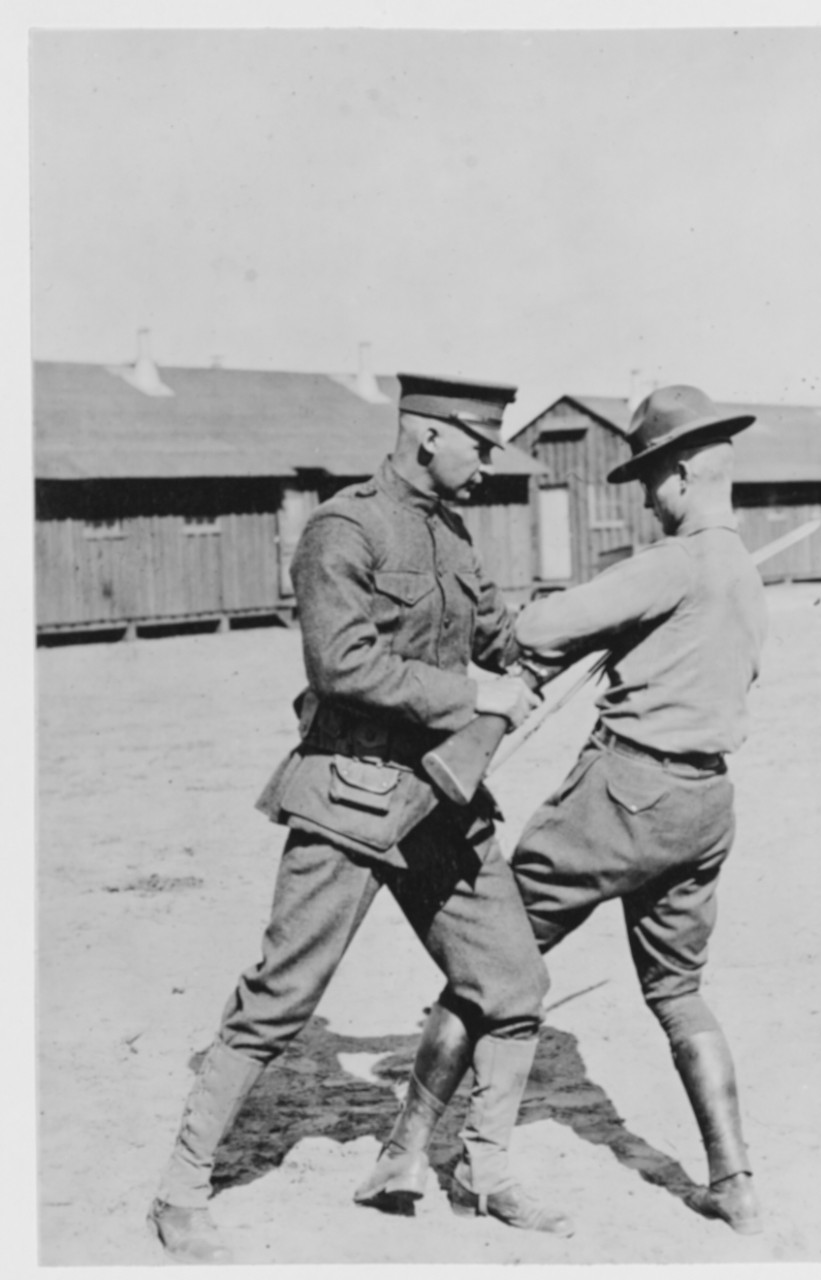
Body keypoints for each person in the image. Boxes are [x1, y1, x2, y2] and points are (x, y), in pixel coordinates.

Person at [148, 373, 574, 1265]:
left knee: (513, 984)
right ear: (428, 436)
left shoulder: (453, 532)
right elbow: (343, 665)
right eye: (479, 445)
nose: (490, 463)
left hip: (441, 806)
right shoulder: (343, 528)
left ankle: (480, 1171)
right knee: (280, 1000)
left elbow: (497, 632)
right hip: (348, 798)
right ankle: (182, 1187)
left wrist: (588, 624)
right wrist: (474, 695)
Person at [359, 384, 768, 1236]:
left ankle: (403, 1151)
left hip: (623, 798)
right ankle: (734, 1183)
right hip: (705, 804)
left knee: (493, 957)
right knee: (681, 993)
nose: (648, 498)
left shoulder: (676, 561)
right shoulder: (742, 570)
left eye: (652, 480)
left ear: (685, 475)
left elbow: (542, 627)